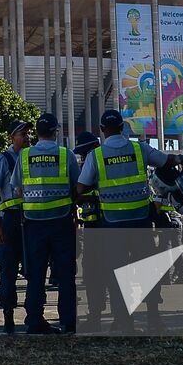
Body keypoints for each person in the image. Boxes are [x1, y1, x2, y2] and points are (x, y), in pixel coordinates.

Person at [75, 108, 177, 332]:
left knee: (116, 273)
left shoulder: (96, 155)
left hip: (112, 224)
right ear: (122, 127)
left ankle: (124, 320)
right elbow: (165, 161)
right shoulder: (139, 148)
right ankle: (153, 317)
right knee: (148, 270)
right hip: (140, 220)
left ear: (102, 130)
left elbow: (80, 188)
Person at [18, 113, 79, 334]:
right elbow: (77, 187)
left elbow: (18, 189)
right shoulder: (65, 155)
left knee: (36, 273)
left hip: (34, 223)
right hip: (61, 221)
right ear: (56, 132)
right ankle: (69, 321)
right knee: (65, 273)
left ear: (36, 132)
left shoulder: (24, 156)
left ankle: (34, 320)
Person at [0, 120, 31, 334]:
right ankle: (8, 316)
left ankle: (34, 315)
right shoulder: (3, 159)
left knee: (33, 268)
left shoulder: (31, 156)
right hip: (11, 221)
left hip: (30, 219)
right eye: (23, 134)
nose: (27, 137)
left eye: (28, 133)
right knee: (9, 270)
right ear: (12, 137)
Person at [73, 132, 107, 329]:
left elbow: (88, 191)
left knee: (94, 272)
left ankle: (96, 315)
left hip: (100, 225)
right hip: (96, 225)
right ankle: (99, 313)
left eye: (84, 153)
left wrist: (81, 196)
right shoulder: (94, 163)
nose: (83, 158)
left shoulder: (98, 163)